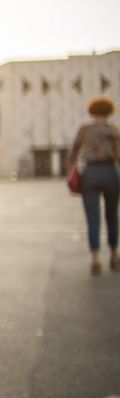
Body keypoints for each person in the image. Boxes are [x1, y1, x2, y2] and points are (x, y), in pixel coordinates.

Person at [67, 95, 119, 275]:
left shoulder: (84, 129)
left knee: (92, 217)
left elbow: (74, 151)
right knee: (112, 216)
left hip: (90, 173)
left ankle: (95, 259)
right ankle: (113, 255)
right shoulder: (113, 130)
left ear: (92, 111)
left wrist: (72, 168)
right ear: (109, 111)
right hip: (109, 171)